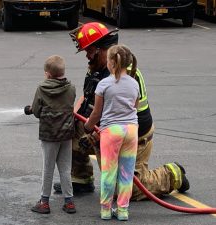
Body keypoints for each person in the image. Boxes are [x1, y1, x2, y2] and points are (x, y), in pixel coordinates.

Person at [53, 22, 190, 201]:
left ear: (103, 50)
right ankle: (80, 177)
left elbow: (123, 120)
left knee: (124, 189)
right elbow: (86, 98)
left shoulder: (126, 76)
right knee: (69, 126)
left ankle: (171, 175)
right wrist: (71, 117)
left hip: (131, 136)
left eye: (89, 51)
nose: (87, 56)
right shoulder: (96, 67)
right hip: (103, 129)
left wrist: (93, 137)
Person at [84, 45, 140, 220]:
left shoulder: (104, 84)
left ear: (112, 63)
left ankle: (106, 209)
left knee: (109, 172)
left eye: (108, 59)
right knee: (126, 173)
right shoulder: (134, 83)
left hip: (111, 131)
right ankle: (123, 210)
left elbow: (97, 112)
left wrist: (87, 126)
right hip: (131, 130)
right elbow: (135, 107)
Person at [24, 55, 76, 214]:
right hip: (66, 134)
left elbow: (37, 112)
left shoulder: (42, 88)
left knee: (48, 168)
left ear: (47, 74)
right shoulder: (71, 88)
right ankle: (69, 202)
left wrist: (31, 109)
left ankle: (44, 202)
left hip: (49, 135)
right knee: (65, 169)